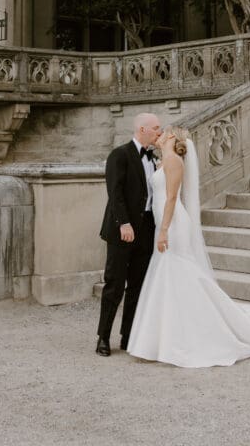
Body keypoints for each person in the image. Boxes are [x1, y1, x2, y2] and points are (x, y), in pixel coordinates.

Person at [128, 126, 250, 368]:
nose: (158, 135)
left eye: (163, 132)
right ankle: (162, 340)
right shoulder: (162, 161)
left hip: (173, 224)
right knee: (168, 274)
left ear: (171, 137)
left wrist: (163, 230)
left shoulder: (174, 162)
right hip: (164, 221)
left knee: (178, 273)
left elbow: (172, 197)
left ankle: (189, 336)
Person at [96, 112, 162, 356]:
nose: (159, 132)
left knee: (137, 286)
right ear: (142, 129)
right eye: (156, 128)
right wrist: (123, 223)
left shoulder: (154, 158)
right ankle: (103, 337)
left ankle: (128, 336)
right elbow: (115, 193)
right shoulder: (119, 154)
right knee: (114, 284)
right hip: (121, 230)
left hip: (146, 230)